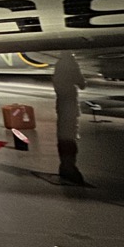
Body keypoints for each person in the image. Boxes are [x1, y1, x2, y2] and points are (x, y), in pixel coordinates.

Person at [52, 51, 87, 185]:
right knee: (69, 134)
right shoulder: (71, 64)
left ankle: (64, 165)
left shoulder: (58, 64)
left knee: (62, 133)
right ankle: (69, 167)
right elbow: (82, 83)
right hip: (70, 103)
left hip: (61, 102)